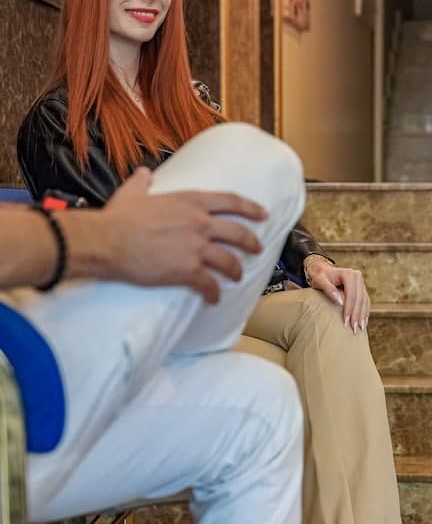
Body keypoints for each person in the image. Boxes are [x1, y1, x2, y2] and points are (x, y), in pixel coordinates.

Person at [16, 0, 400, 523]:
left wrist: (313, 262)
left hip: (234, 294)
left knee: (331, 317)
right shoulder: (58, 121)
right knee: (296, 380)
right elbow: (114, 246)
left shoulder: (189, 105)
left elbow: (260, 209)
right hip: (157, 311)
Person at [5, 122, 306, 522]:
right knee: (257, 156)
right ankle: (178, 330)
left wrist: (312, 260)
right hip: (17, 379)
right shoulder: (57, 120)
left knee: (262, 407)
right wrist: (105, 236)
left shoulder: (183, 112)